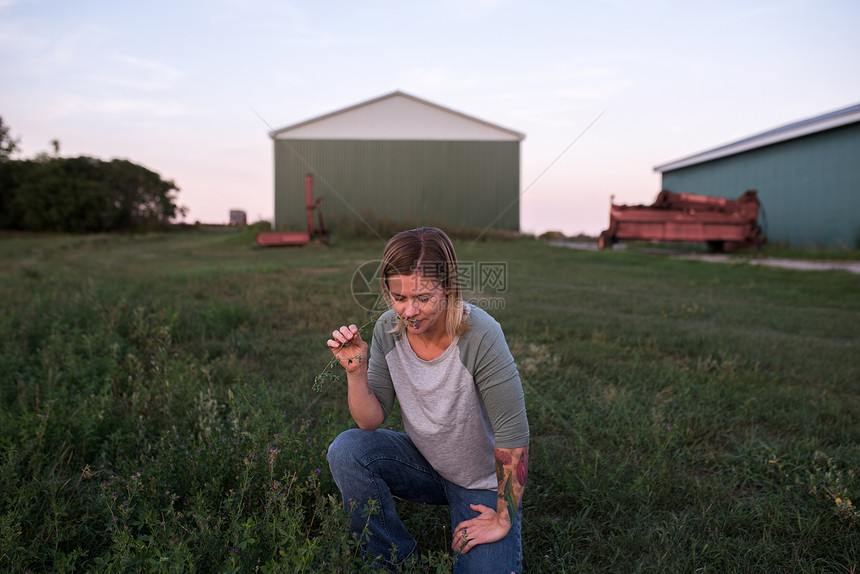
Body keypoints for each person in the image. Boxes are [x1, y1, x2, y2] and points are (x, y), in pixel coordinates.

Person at [325, 227, 529, 573]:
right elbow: (370, 421)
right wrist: (355, 372)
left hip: (480, 480)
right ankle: (393, 559)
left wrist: (503, 517)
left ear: (448, 289)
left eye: (423, 297)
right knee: (348, 449)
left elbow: (513, 433)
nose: (409, 311)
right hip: (426, 463)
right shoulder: (388, 330)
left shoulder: (481, 333)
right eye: (398, 297)